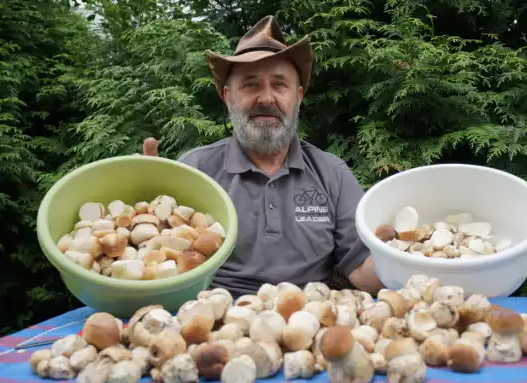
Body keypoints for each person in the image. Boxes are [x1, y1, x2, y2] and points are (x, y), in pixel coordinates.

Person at [142, 15, 385, 298]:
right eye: (251, 84)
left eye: (279, 84)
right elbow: (164, 265)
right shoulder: (195, 169)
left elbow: (365, 274)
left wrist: (415, 252)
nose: (267, 98)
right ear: (227, 96)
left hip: (310, 318)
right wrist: (148, 212)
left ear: (298, 96)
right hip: (216, 319)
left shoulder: (332, 173)